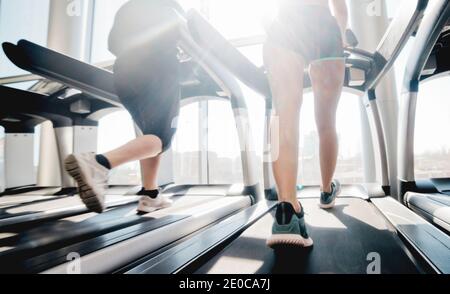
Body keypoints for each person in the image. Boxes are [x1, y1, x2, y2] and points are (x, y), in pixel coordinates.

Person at [64, 0, 185, 214]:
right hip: (159, 68)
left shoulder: (127, 8)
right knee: (161, 139)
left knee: (150, 133)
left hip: (124, 74)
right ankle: (99, 163)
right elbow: (183, 31)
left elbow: (112, 44)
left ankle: (151, 195)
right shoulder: (168, 5)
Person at [265, 0, 350, 248]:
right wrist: (342, 33)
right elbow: (341, 8)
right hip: (324, 26)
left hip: (285, 22)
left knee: (284, 115)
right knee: (326, 123)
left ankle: (287, 210)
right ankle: (326, 191)